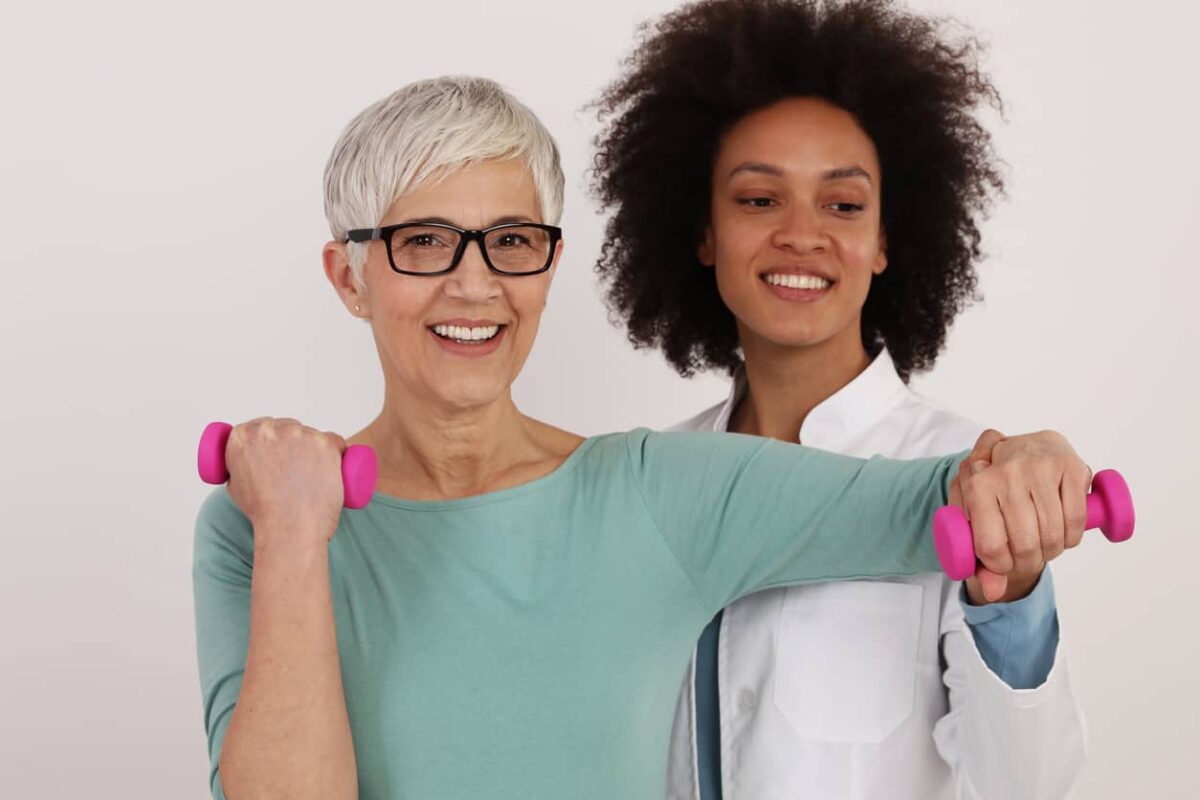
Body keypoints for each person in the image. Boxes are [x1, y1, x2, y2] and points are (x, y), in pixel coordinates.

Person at [193, 75, 1091, 800]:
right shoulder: (255, 521)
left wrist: (1023, 462)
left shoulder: (651, 492)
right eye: (424, 241)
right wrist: (291, 537)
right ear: (348, 277)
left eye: (511, 240)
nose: (475, 285)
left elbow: (928, 491)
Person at [590, 1, 1087, 798]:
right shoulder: (649, 482)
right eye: (758, 199)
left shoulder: (963, 478)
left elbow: (1030, 785)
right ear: (702, 232)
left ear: (887, 240)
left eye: (844, 204)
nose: (801, 234)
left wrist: (1015, 596)